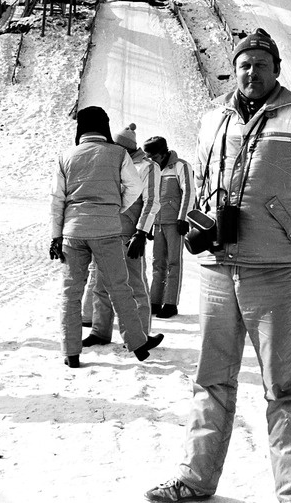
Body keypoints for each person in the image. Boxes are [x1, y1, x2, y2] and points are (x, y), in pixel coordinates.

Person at [145, 28, 291, 503]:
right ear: (233, 69)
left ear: (277, 70)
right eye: (244, 64)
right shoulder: (213, 117)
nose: (252, 72)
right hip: (217, 266)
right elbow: (206, 184)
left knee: (282, 386)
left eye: (261, 64)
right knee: (210, 377)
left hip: (275, 270)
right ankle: (194, 479)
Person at [49, 106, 164, 368]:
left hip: (73, 233)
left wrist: (55, 236)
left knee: (71, 293)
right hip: (108, 231)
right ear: (104, 126)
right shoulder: (119, 153)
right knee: (119, 288)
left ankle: (71, 352)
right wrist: (115, 208)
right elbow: (134, 187)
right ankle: (137, 344)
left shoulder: (66, 156)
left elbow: (57, 199)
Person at [82, 122, 162, 344]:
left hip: (130, 236)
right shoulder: (109, 164)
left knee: (134, 285)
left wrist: (141, 233)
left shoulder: (147, 167)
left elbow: (152, 201)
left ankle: (141, 336)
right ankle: (100, 331)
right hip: (104, 233)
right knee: (101, 283)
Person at [142, 135, 194, 319]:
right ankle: (155, 301)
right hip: (157, 222)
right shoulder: (152, 169)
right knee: (158, 262)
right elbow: (148, 197)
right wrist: (146, 224)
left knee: (173, 262)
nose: (151, 160)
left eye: (153, 156)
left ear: (163, 154)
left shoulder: (181, 166)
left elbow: (189, 192)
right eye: (148, 157)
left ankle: (171, 303)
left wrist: (183, 218)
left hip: (174, 222)